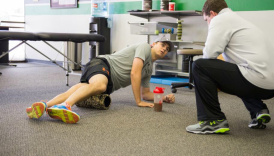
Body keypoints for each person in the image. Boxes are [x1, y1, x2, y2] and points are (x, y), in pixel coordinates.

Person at [186, 0, 274, 134]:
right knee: (237, 70)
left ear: (212, 13)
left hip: (258, 79)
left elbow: (209, 55)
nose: (208, 24)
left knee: (200, 66)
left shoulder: (220, 20)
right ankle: (258, 109)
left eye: (206, 20)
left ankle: (212, 121)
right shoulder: (239, 21)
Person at [26, 36, 176, 124]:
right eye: (163, 45)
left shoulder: (149, 69)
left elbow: (146, 94)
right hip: (104, 64)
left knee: (78, 89)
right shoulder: (144, 47)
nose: (164, 49)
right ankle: (65, 106)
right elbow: (134, 73)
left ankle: (45, 105)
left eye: (167, 49)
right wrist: (138, 102)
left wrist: (162, 98)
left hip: (107, 80)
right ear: (154, 44)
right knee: (99, 85)